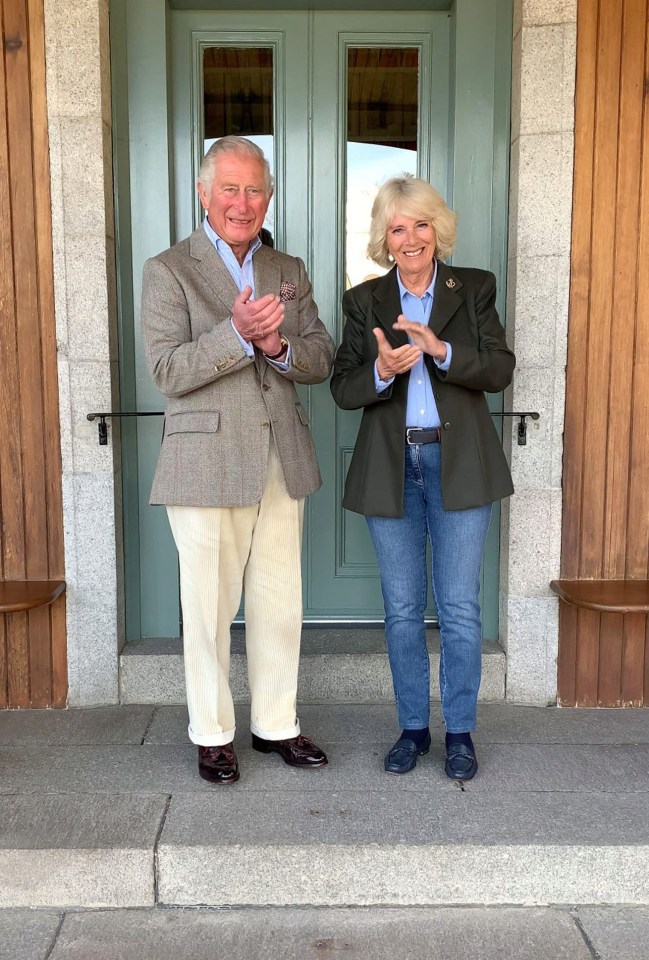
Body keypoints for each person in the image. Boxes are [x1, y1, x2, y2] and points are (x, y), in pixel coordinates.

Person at [141, 136, 335, 784]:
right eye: (229, 188)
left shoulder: (289, 268)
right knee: (207, 605)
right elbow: (167, 369)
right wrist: (235, 335)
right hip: (204, 461)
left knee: (280, 601)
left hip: (281, 454)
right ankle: (212, 732)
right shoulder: (169, 268)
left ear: (269, 196)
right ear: (203, 193)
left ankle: (275, 723)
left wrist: (278, 343)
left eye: (254, 189)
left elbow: (320, 357)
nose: (242, 202)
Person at [330, 175, 515, 781]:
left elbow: (499, 369)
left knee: (459, 609)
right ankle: (413, 727)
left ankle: (459, 732)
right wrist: (381, 372)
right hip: (393, 467)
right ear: (385, 238)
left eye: (421, 224)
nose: (411, 238)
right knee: (403, 610)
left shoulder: (475, 287)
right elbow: (341, 387)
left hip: (459, 465)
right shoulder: (364, 301)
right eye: (397, 227)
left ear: (438, 229)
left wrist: (442, 353)